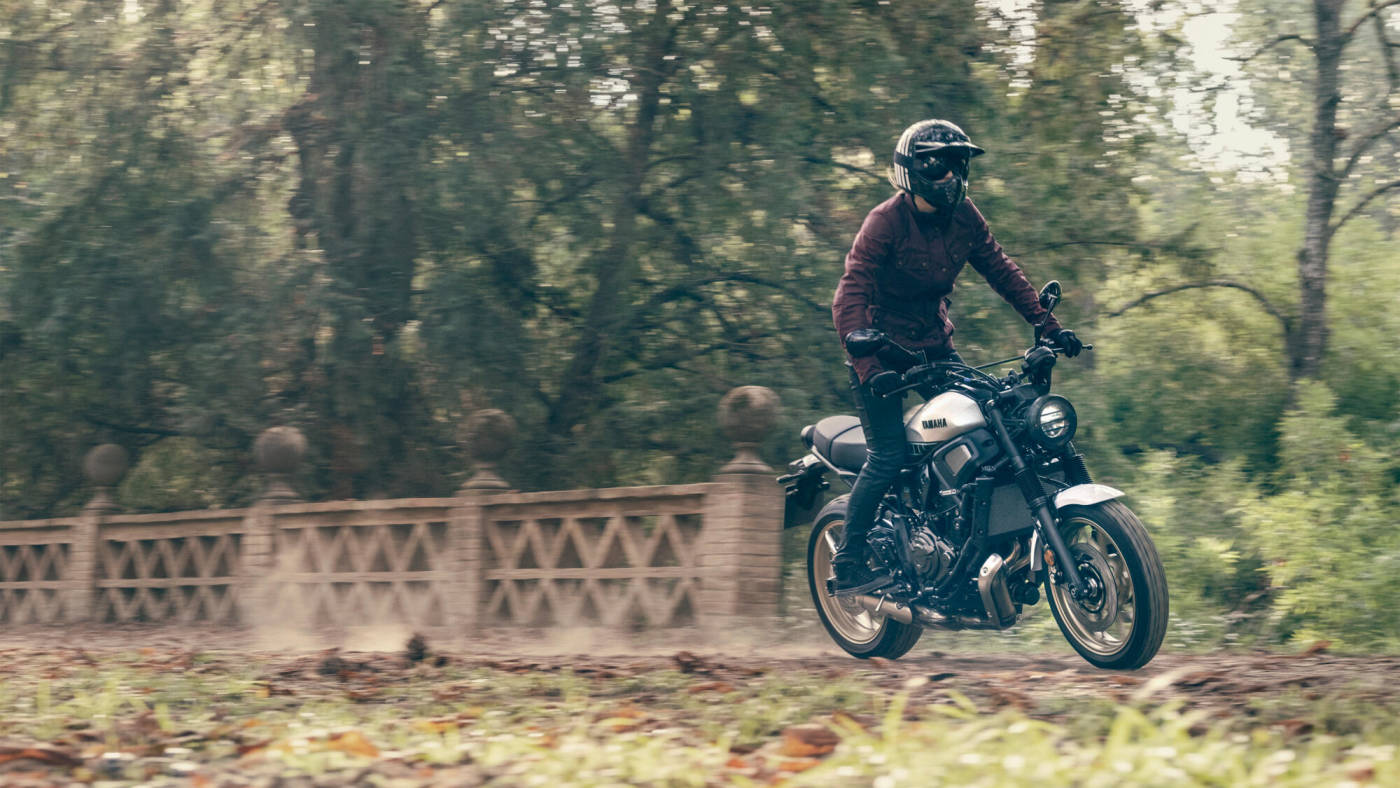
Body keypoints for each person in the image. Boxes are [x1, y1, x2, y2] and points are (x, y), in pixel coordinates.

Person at [829, 119, 1083, 594]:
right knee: (888, 456)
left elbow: (1002, 271)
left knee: (995, 422)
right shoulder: (885, 221)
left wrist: (1050, 327)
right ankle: (848, 563)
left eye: (958, 166)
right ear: (914, 170)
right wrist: (869, 365)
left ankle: (972, 537)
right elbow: (850, 295)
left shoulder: (965, 216)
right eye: (939, 167)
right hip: (879, 354)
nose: (951, 176)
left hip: (934, 349)